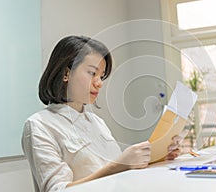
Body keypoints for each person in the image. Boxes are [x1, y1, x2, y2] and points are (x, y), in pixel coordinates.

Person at [22, 35, 182, 192]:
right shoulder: (39, 125)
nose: (99, 83)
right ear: (66, 73)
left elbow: (120, 174)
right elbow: (58, 189)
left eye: (101, 76)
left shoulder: (97, 122)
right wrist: (119, 165)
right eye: (92, 73)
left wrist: (156, 158)